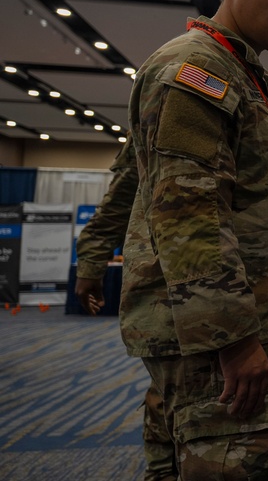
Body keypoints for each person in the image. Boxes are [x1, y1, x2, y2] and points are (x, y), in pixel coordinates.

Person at [121, 0, 268, 481]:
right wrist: (234, 341)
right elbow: (188, 216)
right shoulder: (198, 72)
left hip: (225, 328)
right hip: (223, 340)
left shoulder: (239, 70)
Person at [74, 136, 178, 481]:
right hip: (177, 291)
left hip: (261, 298)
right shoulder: (168, 100)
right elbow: (120, 199)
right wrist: (91, 260)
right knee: (173, 397)